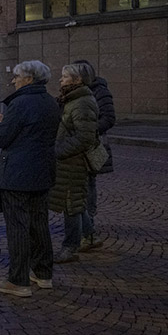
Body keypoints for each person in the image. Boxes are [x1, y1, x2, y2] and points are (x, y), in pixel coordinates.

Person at [0, 61, 60, 297]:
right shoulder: (51, 102)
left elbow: (3, 139)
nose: (14, 80)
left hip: (18, 174)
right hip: (43, 172)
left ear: (29, 79)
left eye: (18, 76)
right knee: (39, 224)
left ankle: (18, 280)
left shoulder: (19, 104)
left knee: (18, 226)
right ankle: (43, 274)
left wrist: (0, 123)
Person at [48, 63, 99, 264]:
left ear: (77, 80)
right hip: (68, 161)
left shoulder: (82, 102)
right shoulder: (71, 99)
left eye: (64, 77)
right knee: (75, 201)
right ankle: (90, 235)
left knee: (71, 204)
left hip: (73, 162)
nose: (60, 80)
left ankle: (70, 247)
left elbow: (85, 137)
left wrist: (58, 150)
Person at [73, 59, 115, 252]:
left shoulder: (100, 91)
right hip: (76, 144)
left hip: (92, 145)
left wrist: (88, 130)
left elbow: (108, 118)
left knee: (89, 183)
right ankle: (85, 225)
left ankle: (89, 221)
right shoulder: (73, 93)